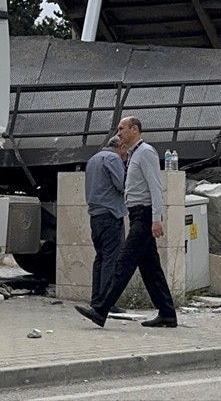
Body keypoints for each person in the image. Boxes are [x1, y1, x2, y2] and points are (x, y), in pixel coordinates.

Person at [75, 116, 177, 329]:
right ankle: (167, 313)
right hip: (137, 214)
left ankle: (101, 309)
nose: (118, 132)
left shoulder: (146, 152)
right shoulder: (133, 154)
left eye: (122, 129)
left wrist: (156, 219)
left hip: (145, 215)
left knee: (123, 262)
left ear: (135, 130)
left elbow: (155, 188)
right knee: (151, 269)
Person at [85, 135, 127, 314]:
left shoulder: (93, 159)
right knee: (112, 258)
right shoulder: (113, 159)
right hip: (111, 214)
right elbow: (122, 184)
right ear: (122, 148)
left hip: (95, 215)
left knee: (100, 257)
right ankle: (106, 302)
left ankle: (96, 299)